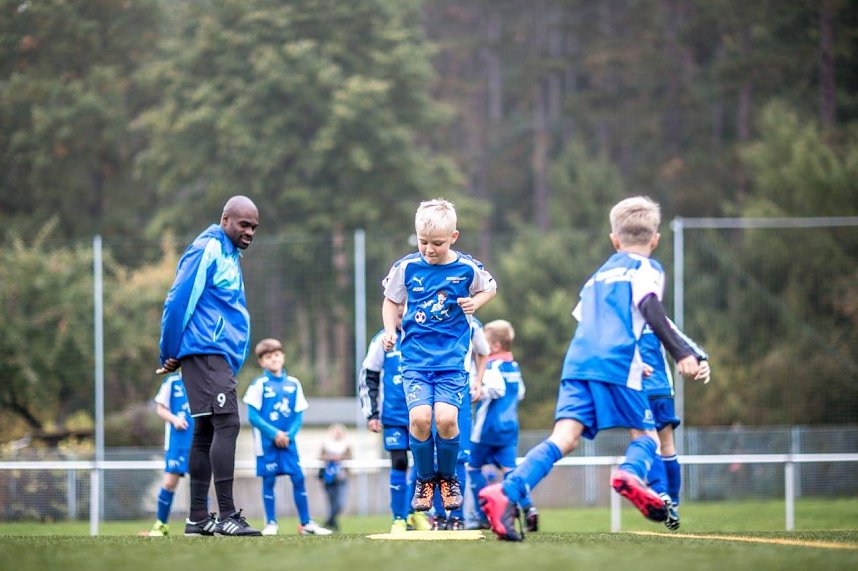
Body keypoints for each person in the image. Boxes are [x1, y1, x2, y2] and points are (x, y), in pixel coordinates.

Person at [479, 195, 709, 541]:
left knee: (564, 438)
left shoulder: (597, 277)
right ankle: (629, 474)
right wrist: (681, 353)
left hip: (578, 361)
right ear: (656, 239)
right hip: (617, 361)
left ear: (614, 240)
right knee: (645, 436)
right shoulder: (646, 268)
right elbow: (649, 306)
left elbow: (586, 321)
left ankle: (506, 492)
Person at [380, 198, 497, 517]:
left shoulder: (466, 268)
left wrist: (477, 303)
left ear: (454, 237)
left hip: (451, 365)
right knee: (419, 420)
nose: (429, 249)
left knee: (446, 420)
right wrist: (390, 330)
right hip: (415, 363)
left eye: (437, 243)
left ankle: (448, 479)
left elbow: (490, 287)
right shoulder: (406, 267)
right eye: (423, 242)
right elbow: (391, 301)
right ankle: (425, 479)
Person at [157, 195, 261, 537]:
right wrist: (169, 350)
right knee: (228, 424)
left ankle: (198, 517)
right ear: (225, 219)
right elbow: (178, 299)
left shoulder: (231, 254)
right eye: (243, 225)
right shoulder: (207, 248)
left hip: (216, 354)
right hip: (206, 350)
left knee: (205, 431)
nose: (249, 232)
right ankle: (227, 514)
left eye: (254, 227)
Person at [243, 338, 332, 537]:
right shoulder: (259, 385)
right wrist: (274, 434)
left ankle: (306, 524)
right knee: (269, 481)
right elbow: (252, 416)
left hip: (288, 444)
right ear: (261, 362)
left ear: (282, 357)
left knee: (298, 478)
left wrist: (288, 435)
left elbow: (299, 415)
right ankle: (271, 524)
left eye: (276, 355)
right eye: (268, 357)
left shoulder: (294, 383)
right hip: (266, 445)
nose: (273, 359)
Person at [359, 305, 431, 533]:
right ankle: (399, 518)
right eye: (398, 315)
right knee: (399, 462)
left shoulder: (424, 336)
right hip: (393, 415)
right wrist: (372, 413)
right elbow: (368, 376)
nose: (403, 319)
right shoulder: (383, 340)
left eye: (406, 314)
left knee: (422, 464)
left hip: (421, 415)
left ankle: (416, 513)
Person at [467, 319, 538, 532]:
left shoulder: (492, 365)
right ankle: (529, 508)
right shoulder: (513, 366)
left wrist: (477, 391)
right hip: (509, 427)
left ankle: (482, 515)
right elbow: (521, 392)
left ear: (495, 346)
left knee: (473, 468)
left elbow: (496, 388)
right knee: (510, 471)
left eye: (484, 343)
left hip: (488, 428)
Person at [640, 322, 710, 530]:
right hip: (662, 389)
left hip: (638, 390)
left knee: (649, 442)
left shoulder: (622, 317)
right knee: (667, 446)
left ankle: (660, 494)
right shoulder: (653, 315)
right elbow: (679, 338)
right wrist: (701, 358)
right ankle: (674, 503)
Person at [148, 371, 194, 537]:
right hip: (177, 443)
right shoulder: (172, 382)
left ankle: (200, 524)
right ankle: (161, 524)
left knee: (200, 484)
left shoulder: (203, 378)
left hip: (199, 442)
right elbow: (160, 408)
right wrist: (175, 420)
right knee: (169, 483)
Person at [319, 423, 352, 532]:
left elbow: (350, 457)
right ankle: (332, 522)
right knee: (331, 502)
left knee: (340, 503)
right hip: (328, 478)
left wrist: (340, 457)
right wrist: (330, 457)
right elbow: (320, 457)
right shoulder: (326, 445)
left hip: (341, 477)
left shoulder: (346, 445)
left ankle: (329, 521)